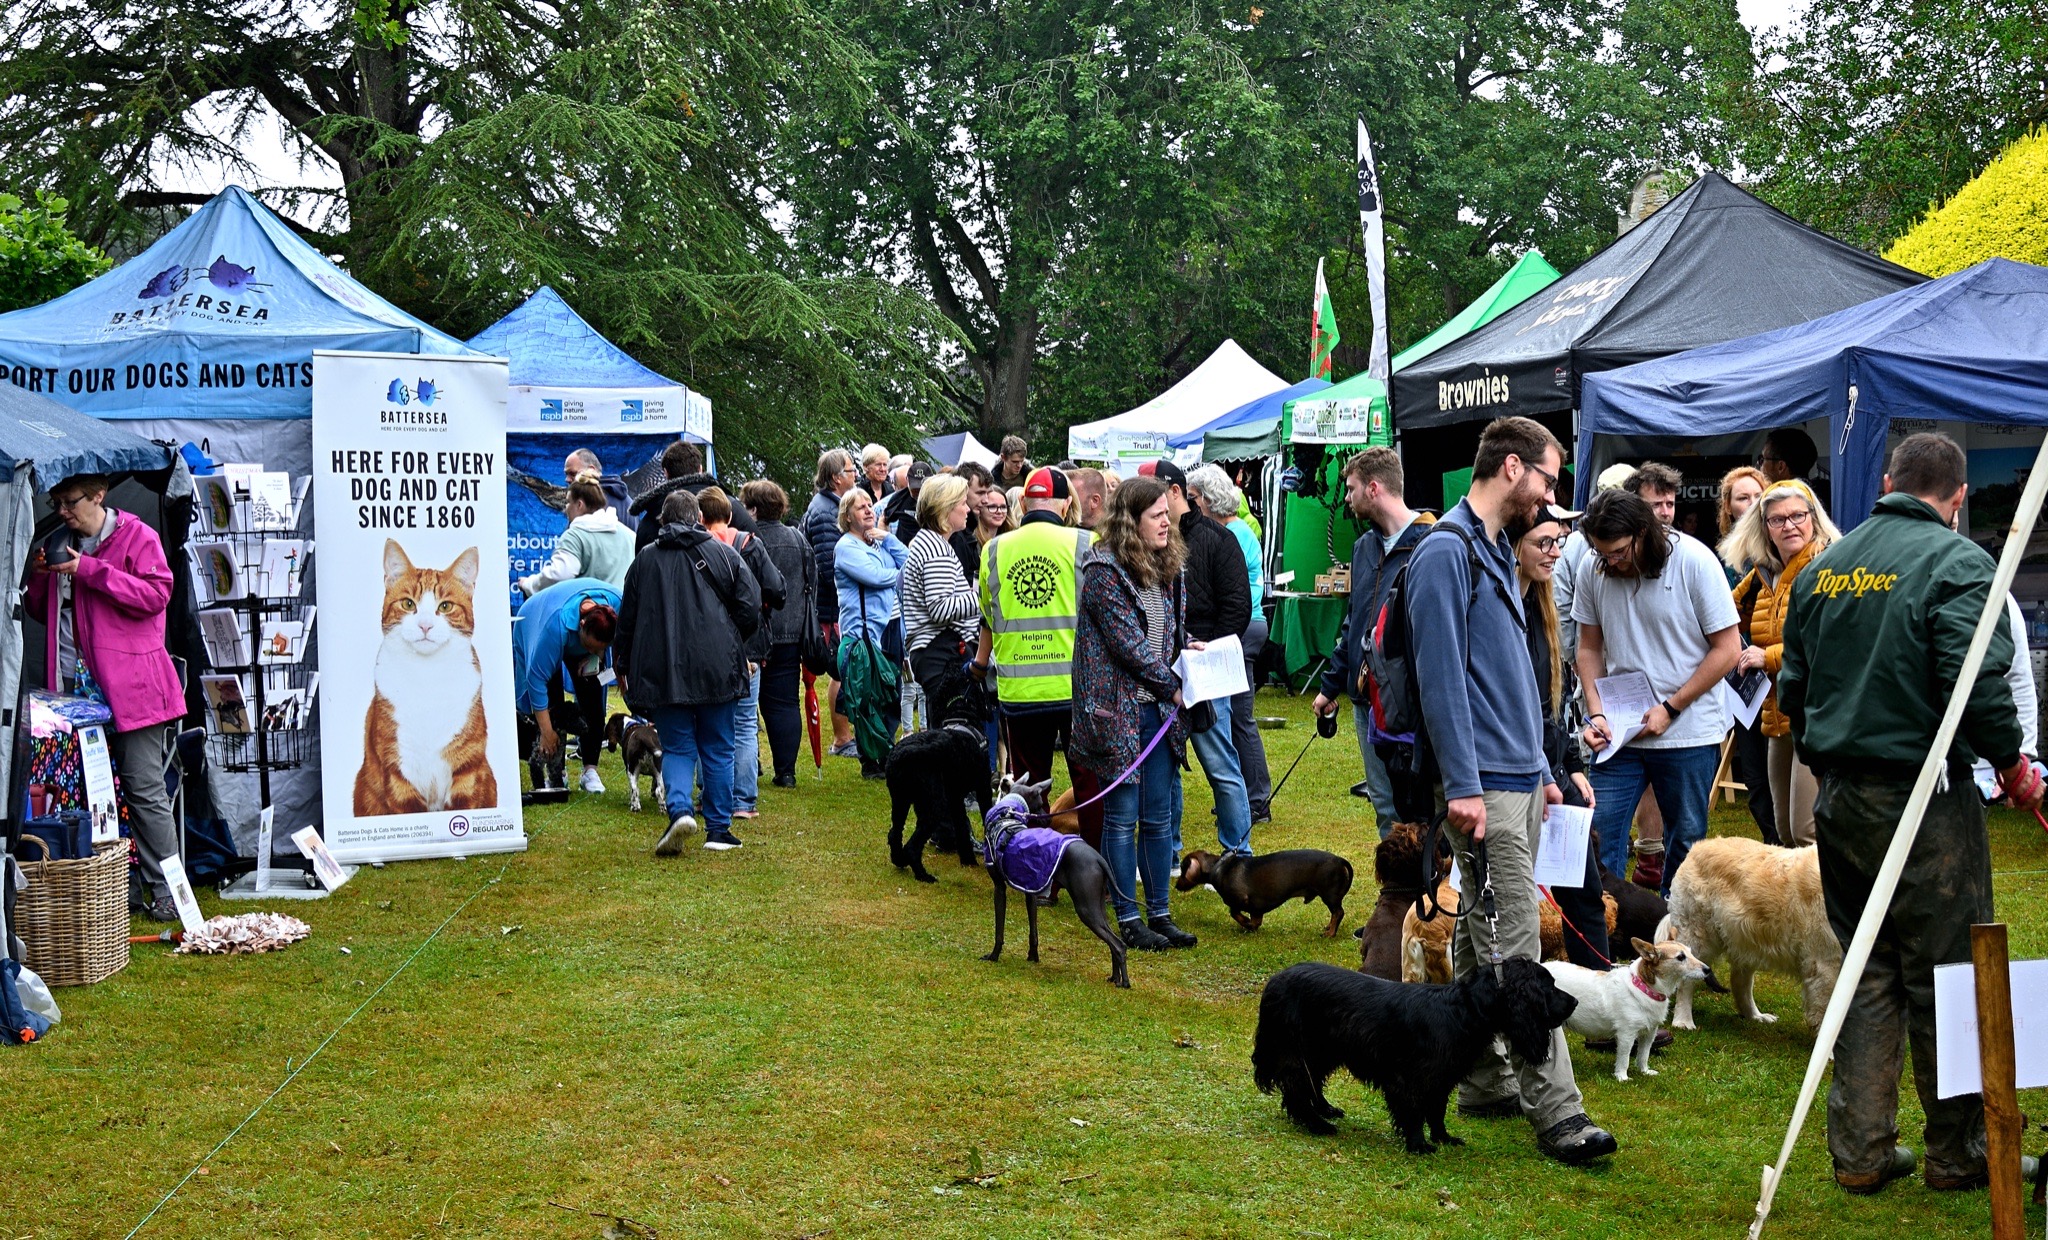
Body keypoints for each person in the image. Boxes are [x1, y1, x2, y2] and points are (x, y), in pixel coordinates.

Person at [1778, 431, 2043, 1196]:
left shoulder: (1824, 568)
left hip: (1843, 797)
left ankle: (1861, 1152)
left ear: (1888, 480)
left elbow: (1792, 692)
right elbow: (1977, 682)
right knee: (1948, 973)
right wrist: (2012, 763)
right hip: (1922, 798)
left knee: (1866, 967)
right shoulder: (1959, 562)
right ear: (1958, 498)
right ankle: (1956, 1154)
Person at [1406, 416, 1616, 1165]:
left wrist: (1543, 774)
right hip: (1481, 790)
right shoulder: (1446, 552)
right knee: (1517, 951)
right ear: (1515, 468)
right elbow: (1441, 680)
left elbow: (1514, 681)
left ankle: (1484, 1081)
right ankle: (1558, 1113)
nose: (1552, 499)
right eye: (1550, 481)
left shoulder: (1495, 551)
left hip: (1516, 782)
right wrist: (1464, 783)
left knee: (1477, 933)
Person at [28, 474, 186, 923]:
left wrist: (89, 570)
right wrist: (41, 578)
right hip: (74, 694)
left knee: (144, 789)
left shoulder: (138, 536)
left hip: (133, 689)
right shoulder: (59, 540)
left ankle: (170, 891)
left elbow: (157, 596)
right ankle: (117, 888)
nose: (61, 510)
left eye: (69, 501)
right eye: (56, 502)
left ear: (98, 496)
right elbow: (42, 612)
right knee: (90, 793)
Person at [1574, 488, 1740, 897]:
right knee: (1600, 835)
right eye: (1601, 553)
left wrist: (1671, 706)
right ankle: (1605, 935)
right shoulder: (1593, 568)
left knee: (1686, 842)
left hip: (1688, 730)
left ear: (1644, 533)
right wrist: (1596, 713)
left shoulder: (1695, 561)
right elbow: (1589, 647)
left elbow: (1728, 650)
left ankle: (1674, 933)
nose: (1609, 562)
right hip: (1620, 734)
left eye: (1618, 552)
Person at [1071, 475, 1196, 951]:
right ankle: (1126, 916)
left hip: (1158, 714)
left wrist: (1191, 655)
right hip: (1116, 715)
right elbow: (1129, 648)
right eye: (1157, 515)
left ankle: (1160, 913)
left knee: (1159, 817)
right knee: (1121, 819)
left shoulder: (1169, 567)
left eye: (1168, 512)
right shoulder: (1103, 570)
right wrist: (1175, 684)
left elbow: (1165, 640)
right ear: (1131, 521)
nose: (1169, 521)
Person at [619, 489, 761, 853]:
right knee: (718, 747)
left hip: (663, 671)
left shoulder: (644, 561)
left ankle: (680, 810)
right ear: (698, 518)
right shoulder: (724, 554)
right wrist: (732, 639)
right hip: (718, 666)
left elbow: (628, 621)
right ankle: (718, 830)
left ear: (663, 521)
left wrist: (622, 666)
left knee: (678, 747)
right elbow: (751, 605)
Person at [971, 467, 1104, 846]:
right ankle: (1096, 868)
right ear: (1065, 506)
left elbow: (989, 615)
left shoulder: (993, 549)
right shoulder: (1085, 542)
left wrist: (979, 667)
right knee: (1088, 782)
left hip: (1021, 692)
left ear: (1025, 503)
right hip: (1077, 688)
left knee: (1028, 784)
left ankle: (1037, 873)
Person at [1508, 503, 1608, 969]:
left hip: (1551, 774)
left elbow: (1554, 703)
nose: (1554, 554)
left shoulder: (1543, 606)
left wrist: (1570, 765)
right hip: (1514, 778)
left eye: (1560, 543)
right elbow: (1511, 711)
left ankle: (1604, 1007)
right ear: (1515, 546)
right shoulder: (1499, 607)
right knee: (1510, 904)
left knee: (1585, 894)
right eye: (1543, 543)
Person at [1312, 447, 1432, 832]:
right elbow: (1355, 622)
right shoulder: (1364, 547)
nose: (1346, 499)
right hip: (1367, 701)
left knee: (1423, 804)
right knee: (1384, 805)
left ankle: (1435, 889)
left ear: (1374, 488)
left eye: (1351, 489)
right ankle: (1399, 890)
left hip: (1412, 702)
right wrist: (1331, 685)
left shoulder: (1431, 543)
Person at [1720, 480, 1838, 848]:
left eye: (1797, 516)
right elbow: (1720, 608)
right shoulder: (1763, 574)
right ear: (1764, 528)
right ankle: (1798, 905)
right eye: (1777, 520)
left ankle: (1834, 904)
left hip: (1816, 712)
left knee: (1806, 831)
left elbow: (1828, 641)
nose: (1789, 526)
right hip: (1776, 712)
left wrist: (1765, 657)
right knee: (1783, 832)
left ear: (1814, 519)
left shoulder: (1828, 566)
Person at [1145, 459, 1253, 856]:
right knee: (1163, 769)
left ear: (1175, 494)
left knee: (1220, 765)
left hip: (1205, 671)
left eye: (1154, 500)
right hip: (1159, 672)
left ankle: (1238, 853)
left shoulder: (1217, 540)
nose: (1150, 512)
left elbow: (1238, 606)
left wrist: (1208, 647)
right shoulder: (1146, 542)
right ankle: (1167, 851)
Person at [1189, 463, 1272, 823]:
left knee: (1239, 718)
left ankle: (1253, 798)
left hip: (1242, 628)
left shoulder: (1228, 534)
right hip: (1247, 626)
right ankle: (1244, 794)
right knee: (1238, 718)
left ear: (1206, 500)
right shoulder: (1233, 529)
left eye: (1193, 499)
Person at [700, 487, 785, 820]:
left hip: (710, 645)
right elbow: (777, 590)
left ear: (699, 518)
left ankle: (709, 795)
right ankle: (743, 801)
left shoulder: (696, 549)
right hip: (749, 643)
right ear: (731, 515)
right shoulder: (750, 545)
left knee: (708, 723)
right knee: (746, 723)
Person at [512, 577, 621, 795]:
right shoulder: (553, 629)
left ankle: (590, 769)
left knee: (594, 695)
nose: (592, 652)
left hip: (576, 636)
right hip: (536, 619)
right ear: (581, 625)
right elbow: (536, 681)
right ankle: (557, 770)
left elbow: (621, 649)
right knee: (552, 701)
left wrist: (595, 657)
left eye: (599, 648)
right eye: (589, 647)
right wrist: (546, 731)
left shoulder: (619, 605)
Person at [741, 479, 815, 789]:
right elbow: (811, 580)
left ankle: (750, 763)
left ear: (753, 508)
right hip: (791, 631)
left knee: (745, 705)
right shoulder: (798, 539)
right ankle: (786, 771)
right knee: (785, 703)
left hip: (754, 632)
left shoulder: (747, 540)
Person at [1716, 464, 1775, 842]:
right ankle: (1773, 842)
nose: (1752, 503)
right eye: (1743, 497)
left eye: (1758, 495)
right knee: (1755, 775)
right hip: (1743, 677)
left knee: (1782, 771)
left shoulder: (1785, 550)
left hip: (1781, 673)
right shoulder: (1723, 561)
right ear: (1729, 507)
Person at [834, 487, 909, 778]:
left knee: (892, 692)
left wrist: (889, 538)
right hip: (864, 634)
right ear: (847, 516)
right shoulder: (846, 547)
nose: (868, 510)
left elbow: (908, 561)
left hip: (892, 625)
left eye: (870, 505)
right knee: (869, 698)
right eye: (860, 507)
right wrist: (899, 574)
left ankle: (884, 751)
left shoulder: (878, 543)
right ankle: (871, 759)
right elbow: (878, 577)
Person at [899, 475, 980, 715]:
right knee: (952, 723)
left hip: (933, 651)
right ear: (945, 507)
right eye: (962, 503)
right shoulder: (936, 550)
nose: (968, 509)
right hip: (940, 651)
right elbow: (940, 609)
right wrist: (983, 599)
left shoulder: (928, 543)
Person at [805, 449, 859, 754]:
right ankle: (841, 738)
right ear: (836, 477)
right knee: (840, 669)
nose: (855, 476)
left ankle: (845, 735)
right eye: (851, 471)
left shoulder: (827, 505)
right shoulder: (827, 512)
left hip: (830, 604)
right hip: (830, 605)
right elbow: (829, 567)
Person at [1557, 462, 1637, 664]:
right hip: (1603, 661)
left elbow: (1561, 607)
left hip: (1591, 662)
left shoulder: (1570, 543)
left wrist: (1572, 658)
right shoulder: (1572, 545)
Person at [520, 469, 636, 595]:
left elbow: (559, 574)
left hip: (592, 612)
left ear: (579, 504)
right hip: (626, 612)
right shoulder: (630, 536)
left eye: (568, 502)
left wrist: (529, 584)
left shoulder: (575, 536)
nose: (566, 507)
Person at [630, 440, 753, 552]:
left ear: (666, 473)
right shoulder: (730, 505)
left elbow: (641, 570)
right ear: (700, 469)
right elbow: (758, 555)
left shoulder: (650, 518)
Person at [563, 447, 637, 531]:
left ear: (591, 470)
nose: (567, 479)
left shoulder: (588, 501)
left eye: (572, 473)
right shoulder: (629, 502)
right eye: (566, 474)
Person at [1759, 426, 1829, 512]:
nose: (1759, 465)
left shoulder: (1778, 503)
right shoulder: (1820, 496)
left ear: (1781, 467)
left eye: (1762, 459)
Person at [950, 461, 996, 582]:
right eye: (980, 493)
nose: (986, 500)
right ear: (961, 491)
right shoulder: (955, 533)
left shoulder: (968, 528)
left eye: (987, 493)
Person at [884, 460, 933, 547]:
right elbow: (884, 520)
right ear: (907, 480)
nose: (918, 493)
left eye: (922, 489)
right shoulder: (899, 498)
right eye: (915, 489)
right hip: (903, 550)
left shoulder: (937, 501)